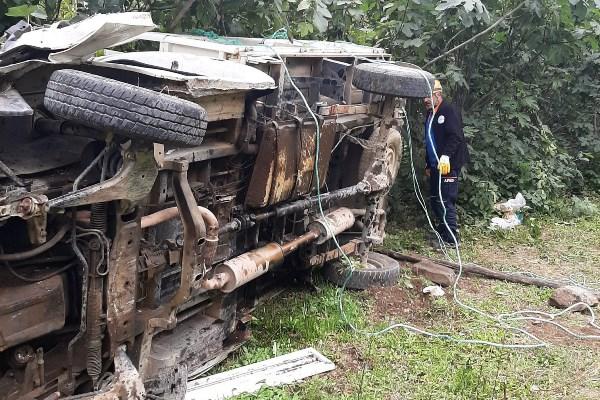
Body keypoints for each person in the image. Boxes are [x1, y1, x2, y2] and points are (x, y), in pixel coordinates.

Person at [423, 80, 469, 245]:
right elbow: (429, 140)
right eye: (424, 97)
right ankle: (442, 233)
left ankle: (451, 239)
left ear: (437, 94)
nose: (425, 100)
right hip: (436, 166)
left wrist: (446, 156)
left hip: (448, 164)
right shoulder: (430, 113)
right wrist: (429, 163)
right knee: (436, 200)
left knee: (446, 200)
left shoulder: (448, 111)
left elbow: (455, 136)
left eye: (428, 96)